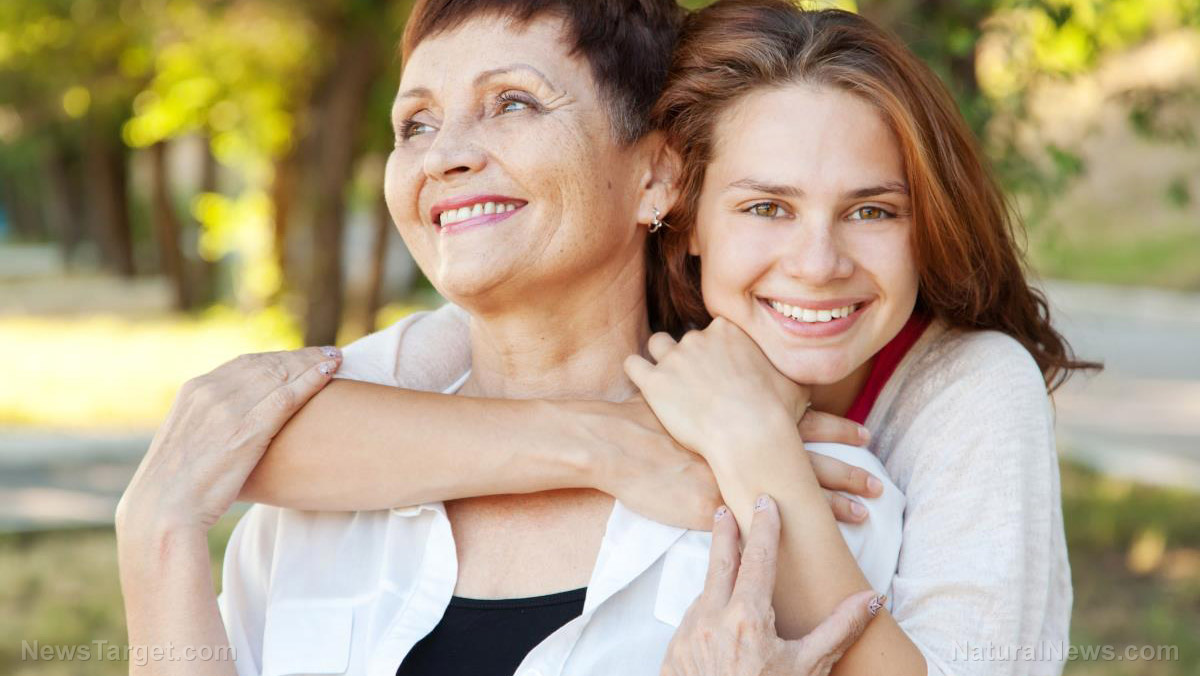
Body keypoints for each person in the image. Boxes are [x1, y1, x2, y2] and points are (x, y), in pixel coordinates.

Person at [234, 1, 1098, 673]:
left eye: (872, 211)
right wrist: (611, 441)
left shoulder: (966, 389)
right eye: (766, 207)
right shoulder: (654, 318)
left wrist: (756, 450)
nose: (818, 263)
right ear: (685, 213)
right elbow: (251, 433)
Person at [115, 1, 896, 675]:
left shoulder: (810, 500)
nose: (444, 156)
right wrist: (158, 539)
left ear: (658, 175)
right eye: (416, 123)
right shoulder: (318, 506)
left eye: (513, 103)